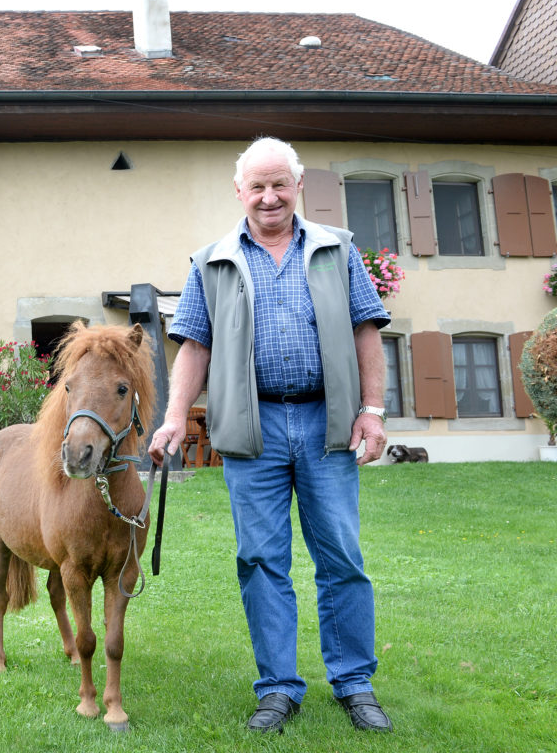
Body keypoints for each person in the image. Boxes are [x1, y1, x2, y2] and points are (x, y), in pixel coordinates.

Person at [148, 136, 393, 733]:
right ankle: (279, 687)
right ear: (239, 192)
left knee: (341, 555)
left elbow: (367, 331)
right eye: (257, 185)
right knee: (261, 559)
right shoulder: (211, 260)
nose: (269, 196)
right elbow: (193, 347)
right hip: (250, 429)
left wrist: (374, 409)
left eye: (279, 183)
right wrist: (176, 416)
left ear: (298, 186)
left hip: (326, 424)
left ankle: (355, 683)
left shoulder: (338, 249)